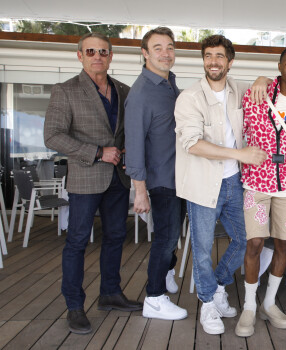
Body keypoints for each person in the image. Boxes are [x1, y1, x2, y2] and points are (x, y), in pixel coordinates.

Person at [44, 32, 142, 335]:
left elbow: (125, 133)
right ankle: (74, 307)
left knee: (115, 237)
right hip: (85, 177)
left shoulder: (124, 91)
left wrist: (126, 151)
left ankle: (110, 294)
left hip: (118, 178)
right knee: (76, 242)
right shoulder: (65, 91)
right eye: (90, 52)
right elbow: (53, 136)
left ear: (111, 56)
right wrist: (98, 152)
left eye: (103, 51)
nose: (97, 56)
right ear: (80, 56)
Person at [174, 35, 268, 335]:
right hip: (203, 184)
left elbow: (268, 84)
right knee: (202, 248)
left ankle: (216, 286)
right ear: (203, 60)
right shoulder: (189, 97)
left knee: (248, 239)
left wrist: (264, 78)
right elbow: (192, 143)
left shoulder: (238, 90)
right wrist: (240, 154)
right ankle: (207, 303)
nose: (213, 61)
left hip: (235, 183)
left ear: (230, 61)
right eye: (208, 55)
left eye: (219, 56)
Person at [236, 47, 286, 337]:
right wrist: (261, 79)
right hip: (256, 181)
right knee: (254, 243)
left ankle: (269, 303)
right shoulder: (258, 93)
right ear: (279, 66)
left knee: (283, 245)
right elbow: (242, 128)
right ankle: (249, 306)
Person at [124, 27, 186, 320]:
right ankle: (154, 297)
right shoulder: (141, 93)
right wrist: (140, 191)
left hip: (180, 176)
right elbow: (133, 145)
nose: (166, 53)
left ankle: (167, 271)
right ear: (145, 54)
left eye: (170, 47)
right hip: (161, 180)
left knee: (172, 235)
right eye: (158, 48)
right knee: (165, 237)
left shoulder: (170, 84)